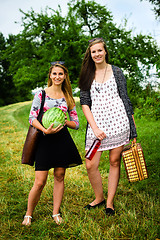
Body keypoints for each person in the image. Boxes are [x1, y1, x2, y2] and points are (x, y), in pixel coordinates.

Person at [79, 38, 137, 216]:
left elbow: (125, 99)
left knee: (114, 161)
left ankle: (109, 202)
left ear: (105, 52)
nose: (97, 54)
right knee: (90, 164)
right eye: (93, 51)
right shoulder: (86, 74)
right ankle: (99, 197)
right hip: (97, 125)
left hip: (119, 122)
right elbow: (85, 103)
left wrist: (133, 127)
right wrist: (94, 128)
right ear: (90, 54)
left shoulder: (117, 72)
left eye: (99, 50)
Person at [22, 61, 82, 226]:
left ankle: (56, 212)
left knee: (59, 176)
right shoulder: (41, 94)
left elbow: (76, 123)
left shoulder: (68, 97)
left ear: (65, 76)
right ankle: (28, 214)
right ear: (50, 75)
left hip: (62, 140)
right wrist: (44, 130)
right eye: (54, 73)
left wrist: (63, 119)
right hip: (44, 139)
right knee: (40, 181)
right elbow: (32, 118)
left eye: (60, 74)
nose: (57, 76)